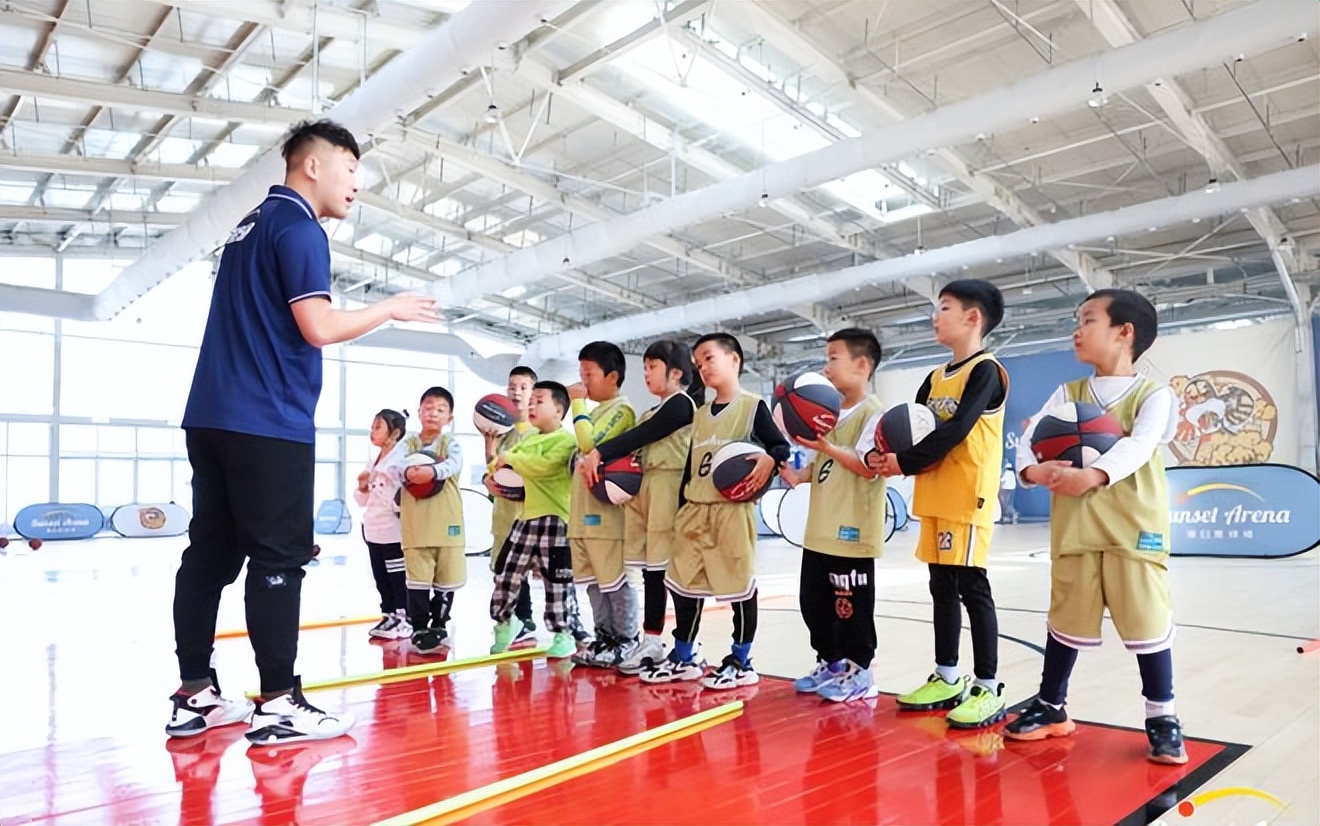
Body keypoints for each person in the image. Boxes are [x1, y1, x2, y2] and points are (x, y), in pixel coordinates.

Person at [168, 118, 437, 744]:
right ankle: (279, 702)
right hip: (267, 421)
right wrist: (389, 309)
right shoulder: (299, 228)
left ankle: (195, 694)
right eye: (350, 170)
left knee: (206, 556)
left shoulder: (249, 227)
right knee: (278, 558)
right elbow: (316, 326)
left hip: (210, 416)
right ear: (312, 165)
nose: (356, 187)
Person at [1005, 289, 1186, 764]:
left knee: (1148, 623)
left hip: (1133, 528)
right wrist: (1032, 471)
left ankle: (1162, 716)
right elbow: (1027, 443)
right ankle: (1051, 706)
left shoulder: (1155, 395)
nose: (1077, 329)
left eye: (1088, 320)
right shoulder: (1067, 394)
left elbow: (1139, 446)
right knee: (1065, 619)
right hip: (1078, 528)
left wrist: (1093, 474)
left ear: (1125, 332)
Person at [873, 279, 1010, 729]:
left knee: (972, 587)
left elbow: (956, 431)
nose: (936, 316)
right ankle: (948, 675)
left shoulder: (987, 371)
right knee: (940, 587)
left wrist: (903, 462)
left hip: (968, 496)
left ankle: (988, 687)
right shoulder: (934, 379)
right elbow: (912, 426)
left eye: (944, 308)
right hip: (934, 492)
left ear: (973, 318)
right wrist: (882, 454)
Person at [641, 333, 790, 690]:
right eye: (698, 363)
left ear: (734, 360)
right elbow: (691, 468)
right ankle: (684, 654)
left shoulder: (753, 406)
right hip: (694, 509)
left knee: (738, 587)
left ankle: (741, 660)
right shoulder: (700, 415)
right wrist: (680, 510)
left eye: (709, 358)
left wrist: (770, 458)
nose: (703, 367)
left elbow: (780, 446)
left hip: (730, 512)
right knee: (683, 585)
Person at [578, 340, 698, 674]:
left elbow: (645, 435)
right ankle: (653, 640)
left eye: (652, 367)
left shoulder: (681, 405)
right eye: (644, 367)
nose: (645, 374)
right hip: (646, 491)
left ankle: (685, 645)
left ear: (675, 372)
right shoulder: (652, 409)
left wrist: (600, 452)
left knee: (669, 574)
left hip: (670, 489)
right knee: (651, 572)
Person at [782, 329, 887, 703]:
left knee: (851, 609)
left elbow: (866, 467)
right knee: (814, 603)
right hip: (820, 530)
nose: (825, 368)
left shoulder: (876, 415)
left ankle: (861, 671)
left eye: (832, 358)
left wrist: (825, 445)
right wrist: (794, 473)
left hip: (852, 532)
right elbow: (819, 464)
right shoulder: (827, 417)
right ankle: (831, 662)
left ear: (861, 366)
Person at [489, 381, 583, 660]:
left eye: (538, 400)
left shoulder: (566, 441)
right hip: (524, 518)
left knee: (557, 582)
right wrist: (509, 460)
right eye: (531, 401)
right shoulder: (527, 439)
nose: (531, 405)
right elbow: (500, 465)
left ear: (558, 408)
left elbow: (542, 466)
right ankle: (505, 623)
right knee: (505, 573)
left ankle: (563, 634)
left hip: (556, 522)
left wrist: (511, 459)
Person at [567, 342, 638, 668]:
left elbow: (589, 443)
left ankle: (626, 639)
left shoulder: (622, 410)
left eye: (589, 374)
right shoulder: (592, 413)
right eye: (581, 374)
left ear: (613, 376)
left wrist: (577, 402)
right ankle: (605, 637)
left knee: (614, 581)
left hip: (606, 518)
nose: (583, 381)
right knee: (594, 584)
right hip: (581, 517)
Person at [399, 386, 465, 656]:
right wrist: (409, 470)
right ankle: (419, 628)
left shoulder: (451, 443)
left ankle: (439, 625)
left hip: (447, 522)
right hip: (415, 525)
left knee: (446, 580)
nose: (433, 414)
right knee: (417, 580)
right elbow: (395, 465)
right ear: (419, 412)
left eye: (440, 409)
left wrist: (431, 471)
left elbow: (455, 464)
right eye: (428, 408)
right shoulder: (408, 443)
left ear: (450, 417)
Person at [483, 366, 539, 647]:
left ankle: (528, 622)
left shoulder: (536, 434)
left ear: (533, 394)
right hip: (503, 515)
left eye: (523, 387)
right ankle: (519, 622)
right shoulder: (501, 433)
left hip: (526, 514)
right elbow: (492, 472)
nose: (516, 391)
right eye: (511, 386)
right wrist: (487, 477)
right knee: (502, 569)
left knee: (519, 571)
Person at [355, 408, 409, 640]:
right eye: (372, 426)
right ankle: (388, 613)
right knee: (380, 576)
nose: (372, 431)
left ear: (394, 433)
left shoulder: (400, 460)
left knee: (397, 575)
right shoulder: (374, 459)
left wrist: (381, 484)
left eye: (378, 427)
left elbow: (400, 500)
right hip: (372, 527)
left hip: (392, 529)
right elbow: (362, 500)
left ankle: (404, 618)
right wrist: (364, 486)